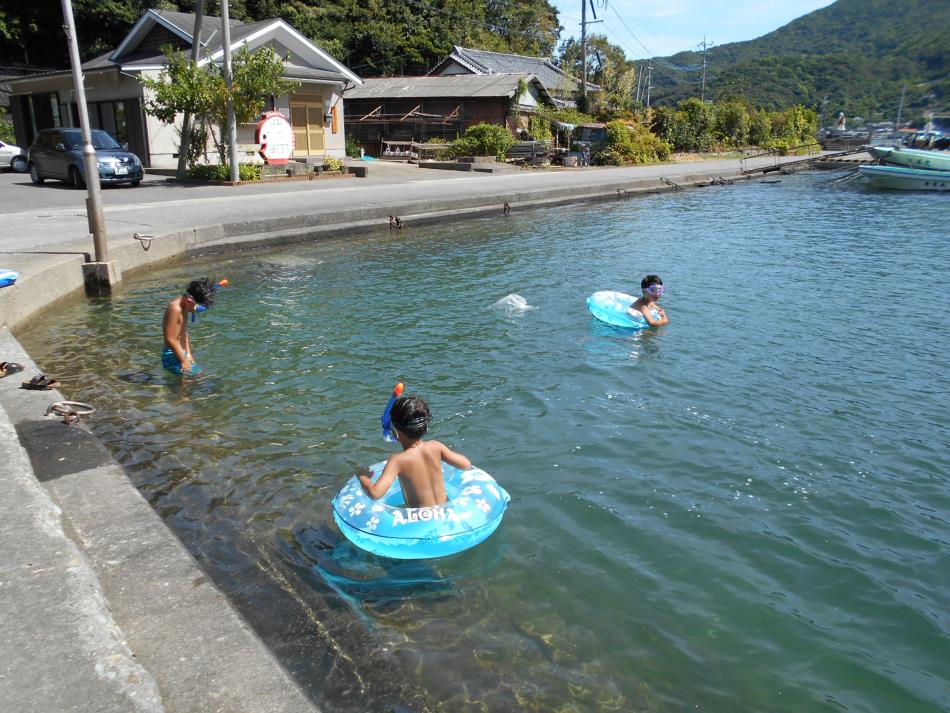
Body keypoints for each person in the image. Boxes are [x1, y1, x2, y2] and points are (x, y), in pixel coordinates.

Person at [358, 395, 471, 508]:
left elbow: (375, 493)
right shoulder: (436, 446)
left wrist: (363, 477)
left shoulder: (397, 461)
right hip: (445, 511)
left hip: (420, 521)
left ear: (396, 431)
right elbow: (465, 464)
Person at [162, 278, 215, 375]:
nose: (197, 309)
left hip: (182, 353)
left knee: (197, 376)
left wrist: (189, 354)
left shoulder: (185, 306)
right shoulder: (175, 308)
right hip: (172, 355)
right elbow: (170, 338)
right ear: (189, 300)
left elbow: (183, 333)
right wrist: (183, 360)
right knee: (188, 381)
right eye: (197, 306)